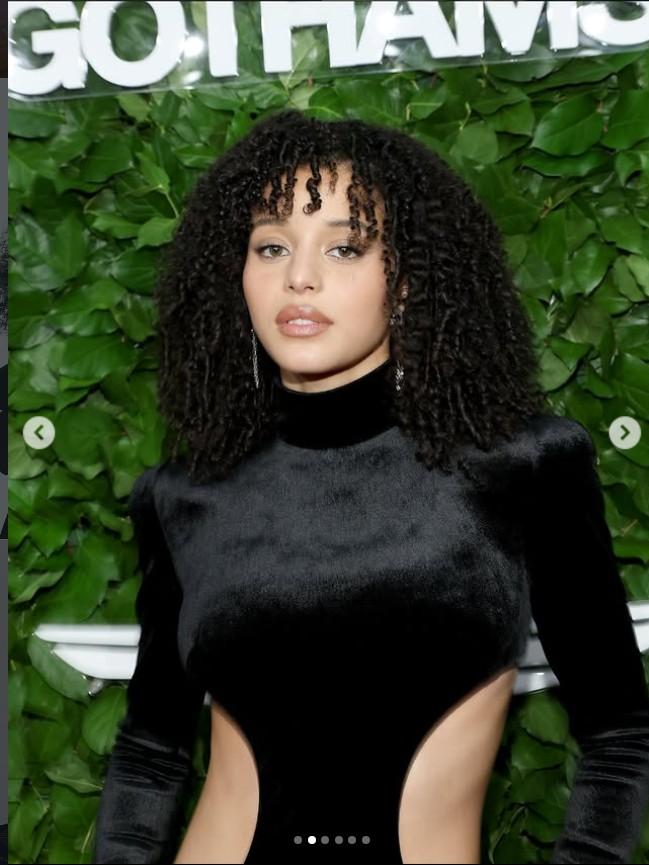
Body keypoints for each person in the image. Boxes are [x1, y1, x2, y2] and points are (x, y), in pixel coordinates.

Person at [93, 109, 649, 864]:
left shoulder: (523, 464)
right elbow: (150, 753)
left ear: (409, 278)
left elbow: (620, 733)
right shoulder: (185, 494)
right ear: (237, 275)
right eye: (271, 246)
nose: (300, 277)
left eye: (345, 246)